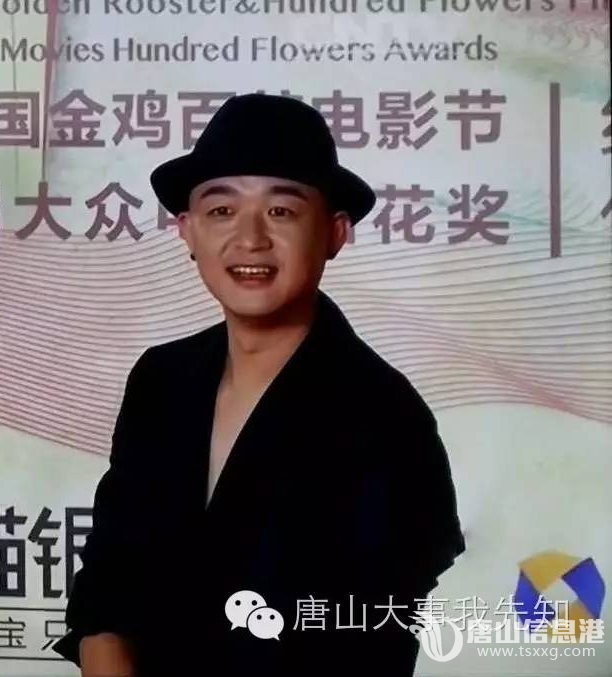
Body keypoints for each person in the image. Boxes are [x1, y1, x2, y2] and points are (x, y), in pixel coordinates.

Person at [53, 93, 466, 676]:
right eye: (222, 210)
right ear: (187, 230)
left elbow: (371, 642)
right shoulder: (161, 381)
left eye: (281, 211)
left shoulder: (385, 417)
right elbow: (107, 585)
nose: (250, 239)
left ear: (335, 232)